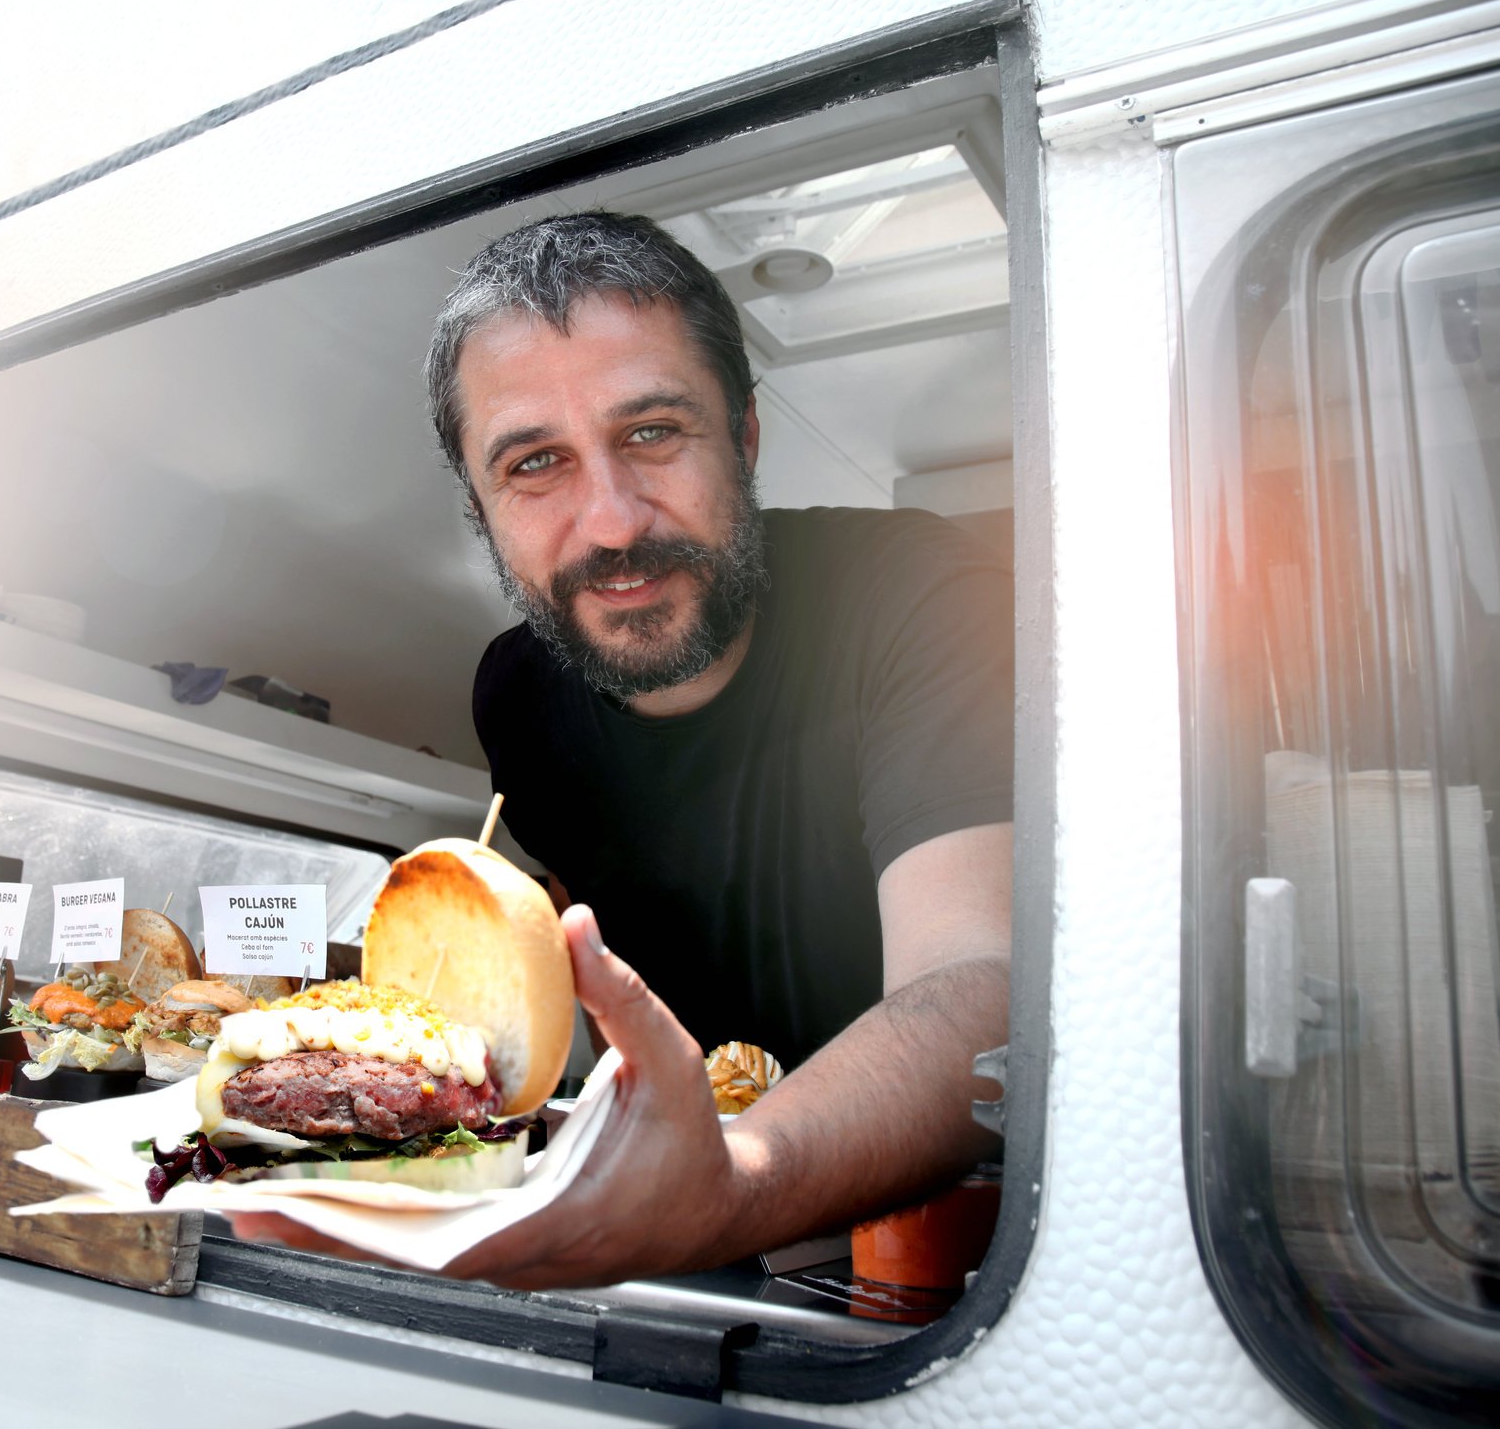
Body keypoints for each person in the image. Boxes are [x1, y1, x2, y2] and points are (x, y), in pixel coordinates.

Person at [235, 211, 1013, 1289]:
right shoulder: (514, 691)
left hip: (922, 1240)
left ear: (742, 436)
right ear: (480, 508)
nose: (609, 522)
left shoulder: (924, 596)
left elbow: (980, 983)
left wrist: (735, 1179)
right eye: (535, 462)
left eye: (652, 432)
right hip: (671, 1228)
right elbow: (569, 978)